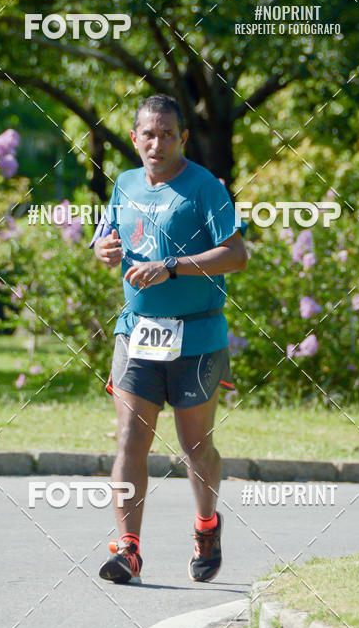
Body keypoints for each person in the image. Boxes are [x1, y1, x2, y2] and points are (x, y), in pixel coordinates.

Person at [90, 94, 247, 584]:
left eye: (166, 134)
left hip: (197, 336)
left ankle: (206, 525)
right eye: (147, 134)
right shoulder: (125, 182)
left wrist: (172, 267)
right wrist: (103, 248)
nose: (155, 143)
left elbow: (236, 254)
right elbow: (105, 236)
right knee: (131, 439)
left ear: (182, 137)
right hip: (136, 334)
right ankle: (128, 549)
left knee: (193, 446)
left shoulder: (205, 188)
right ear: (135, 138)